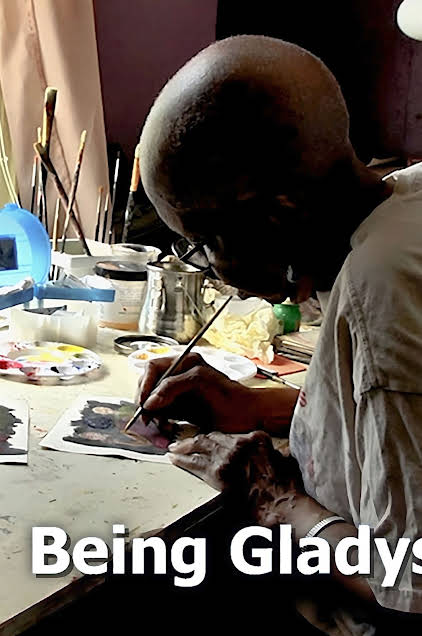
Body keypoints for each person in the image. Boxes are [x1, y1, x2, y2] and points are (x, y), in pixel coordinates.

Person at [137, 35, 422, 633]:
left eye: (203, 244)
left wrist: (276, 501)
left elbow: (409, 586)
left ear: (278, 214)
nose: (215, 272)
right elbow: (401, 420)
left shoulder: (383, 285)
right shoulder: (407, 199)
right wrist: (259, 406)